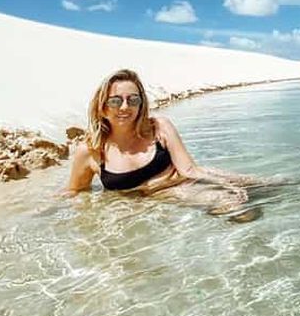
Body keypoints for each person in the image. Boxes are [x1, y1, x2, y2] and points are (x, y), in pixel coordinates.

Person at [66, 69, 261, 217]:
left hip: (189, 178)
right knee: (239, 210)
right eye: (115, 101)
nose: (125, 107)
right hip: (172, 193)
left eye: (133, 100)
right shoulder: (90, 150)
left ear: (141, 104)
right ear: (102, 107)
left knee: (269, 186)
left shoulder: (159, 127)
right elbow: (75, 190)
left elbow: (189, 170)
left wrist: (224, 182)